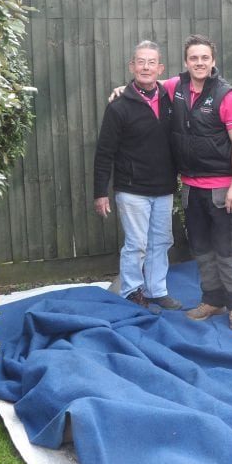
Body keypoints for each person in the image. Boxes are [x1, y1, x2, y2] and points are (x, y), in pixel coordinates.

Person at [164, 34, 232, 331]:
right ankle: (212, 300)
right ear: (186, 61)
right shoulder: (176, 87)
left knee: (227, 250)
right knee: (201, 249)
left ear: (213, 61)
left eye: (204, 58)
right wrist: (122, 90)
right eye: (193, 58)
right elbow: (147, 89)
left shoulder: (228, 96)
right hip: (190, 188)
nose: (199, 63)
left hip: (221, 189)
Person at [93, 41, 181, 310]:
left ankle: (156, 290)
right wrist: (100, 193)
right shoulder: (119, 106)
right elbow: (104, 152)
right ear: (132, 66)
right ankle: (132, 292)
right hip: (132, 190)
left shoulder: (170, 99)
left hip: (163, 188)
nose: (145, 67)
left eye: (151, 62)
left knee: (161, 241)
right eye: (140, 62)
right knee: (137, 244)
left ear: (160, 68)